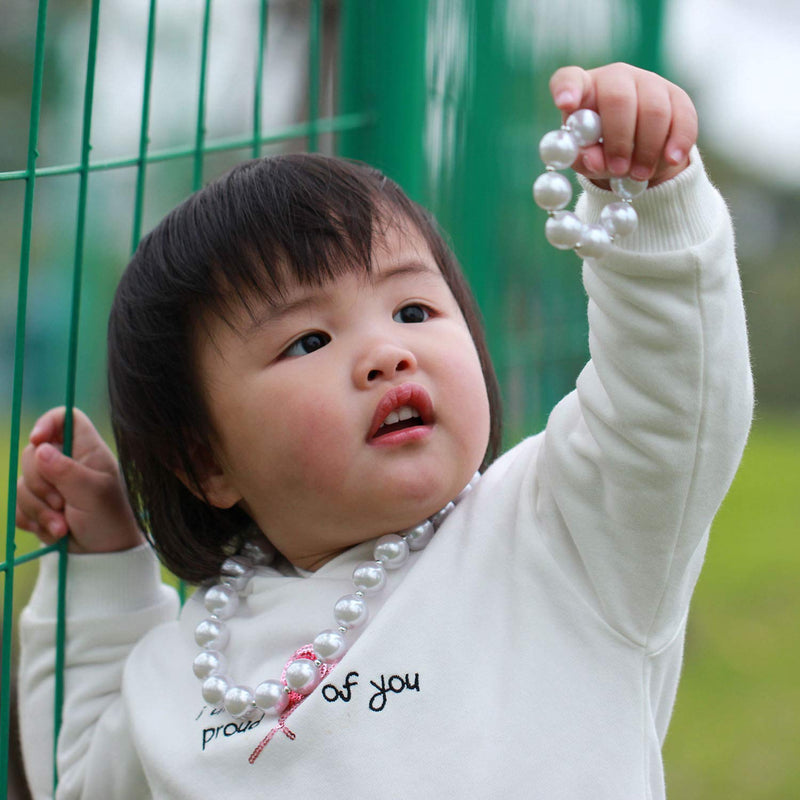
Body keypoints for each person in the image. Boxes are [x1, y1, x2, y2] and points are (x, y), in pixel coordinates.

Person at [15, 63, 752, 799]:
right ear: (206, 460)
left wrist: (651, 202)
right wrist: (102, 562)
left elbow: (669, 411)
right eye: (307, 341)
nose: (386, 354)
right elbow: (78, 782)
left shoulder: (564, 534)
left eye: (413, 311)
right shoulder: (185, 670)